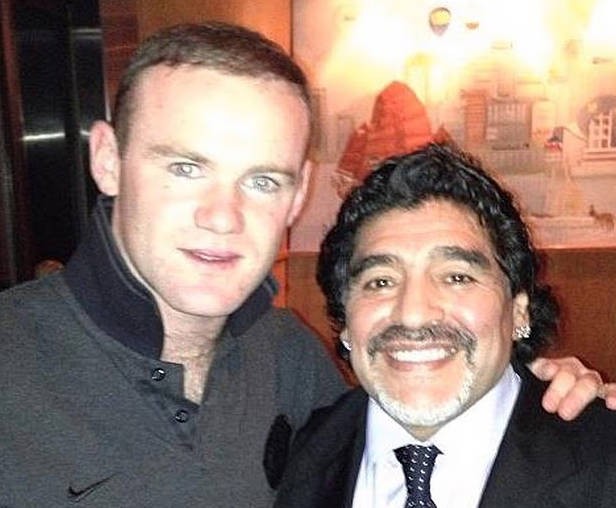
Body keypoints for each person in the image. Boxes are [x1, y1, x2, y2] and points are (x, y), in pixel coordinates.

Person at [0, 22, 610, 506]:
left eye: (262, 181)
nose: (223, 216)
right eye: (186, 167)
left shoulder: (290, 361)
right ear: (107, 160)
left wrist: (544, 392)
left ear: (297, 198)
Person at [274, 143, 616, 508]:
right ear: (345, 320)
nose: (413, 314)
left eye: (456, 277)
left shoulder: (603, 460)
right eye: (381, 282)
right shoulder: (300, 456)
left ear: (519, 312)